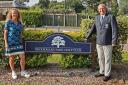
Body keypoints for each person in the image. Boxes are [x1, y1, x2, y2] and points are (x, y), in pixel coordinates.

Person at [86, 4, 118, 81]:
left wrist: (114, 41)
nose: (101, 10)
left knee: (107, 59)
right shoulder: (97, 17)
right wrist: (87, 36)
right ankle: (102, 71)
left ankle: (107, 74)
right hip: (99, 42)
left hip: (108, 42)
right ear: (98, 10)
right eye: (100, 9)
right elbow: (93, 28)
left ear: (105, 9)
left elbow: (115, 30)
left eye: (103, 8)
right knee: (100, 58)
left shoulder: (111, 17)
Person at [4, 8, 30, 79]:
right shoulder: (8, 22)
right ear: (11, 14)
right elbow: (5, 33)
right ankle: (13, 72)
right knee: (12, 57)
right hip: (11, 43)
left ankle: (22, 71)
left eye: (16, 13)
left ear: (18, 14)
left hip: (19, 43)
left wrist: (22, 36)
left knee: (22, 57)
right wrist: (6, 43)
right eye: (13, 13)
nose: (15, 14)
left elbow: (21, 33)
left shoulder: (20, 23)